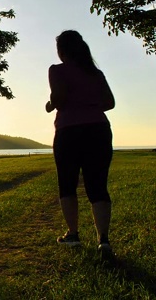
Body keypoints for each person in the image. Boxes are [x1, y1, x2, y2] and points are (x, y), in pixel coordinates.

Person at [45, 30, 115, 254]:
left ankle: (73, 234)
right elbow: (109, 103)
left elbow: (59, 97)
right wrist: (89, 105)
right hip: (99, 129)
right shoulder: (96, 73)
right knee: (98, 185)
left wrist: (50, 104)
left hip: (69, 130)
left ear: (62, 51)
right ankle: (103, 240)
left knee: (67, 183)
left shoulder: (57, 70)